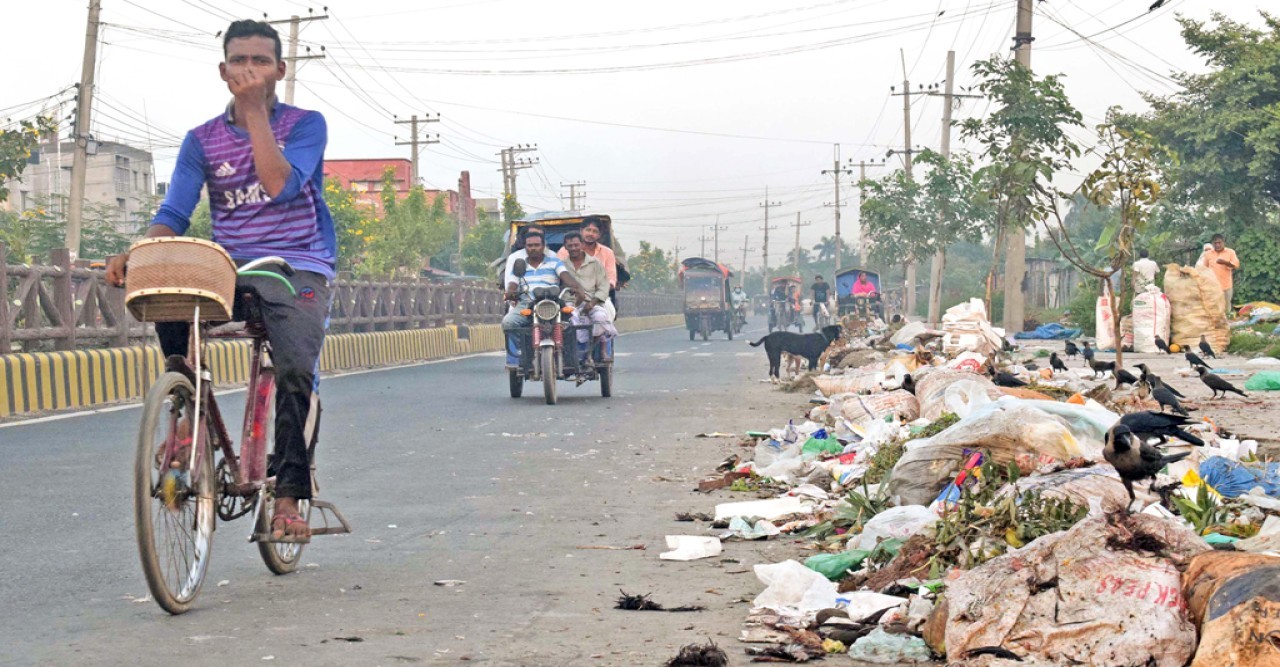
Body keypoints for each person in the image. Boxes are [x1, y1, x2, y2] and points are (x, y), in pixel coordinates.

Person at [104, 20, 332, 542]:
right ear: (223, 70)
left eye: (259, 60)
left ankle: (290, 497)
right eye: (239, 60)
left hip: (297, 265)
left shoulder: (305, 125)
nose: (248, 69)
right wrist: (141, 252)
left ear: (280, 68)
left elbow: (279, 188)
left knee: (296, 372)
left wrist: (254, 115)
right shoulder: (200, 140)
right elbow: (175, 212)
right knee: (165, 284)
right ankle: (184, 405)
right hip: (230, 266)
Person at [502, 231, 587, 367]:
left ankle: (572, 355)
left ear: (543, 246)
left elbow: (566, 276)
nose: (533, 248)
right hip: (527, 302)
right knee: (508, 322)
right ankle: (521, 353)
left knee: (573, 323)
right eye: (530, 245)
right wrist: (510, 292)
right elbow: (513, 282)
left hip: (553, 301)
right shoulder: (520, 265)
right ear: (525, 247)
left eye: (537, 245)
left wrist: (577, 287)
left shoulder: (554, 261)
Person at [561, 231, 616, 360]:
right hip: (569, 303)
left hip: (591, 302)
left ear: (582, 245)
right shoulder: (561, 265)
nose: (574, 248)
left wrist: (592, 303)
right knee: (568, 323)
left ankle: (591, 351)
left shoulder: (595, 263)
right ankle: (569, 354)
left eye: (576, 245)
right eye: (570, 246)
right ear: (565, 247)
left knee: (601, 317)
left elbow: (604, 286)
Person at [558, 219, 617, 291]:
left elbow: (611, 278)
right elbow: (558, 273)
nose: (590, 234)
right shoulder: (565, 250)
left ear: (599, 235)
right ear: (581, 231)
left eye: (595, 231)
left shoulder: (608, 253)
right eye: (588, 230)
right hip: (571, 293)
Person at [1202, 233, 1240, 315]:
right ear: (1212, 243)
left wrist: (1225, 262)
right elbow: (1204, 269)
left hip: (1226, 286)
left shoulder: (1230, 252)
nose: (1217, 245)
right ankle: (1216, 325)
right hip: (1213, 286)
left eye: (1219, 243)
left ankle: (1227, 324)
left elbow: (1236, 265)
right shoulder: (1208, 254)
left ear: (1223, 242)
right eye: (1215, 243)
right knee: (1214, 308)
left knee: (1226, 307)